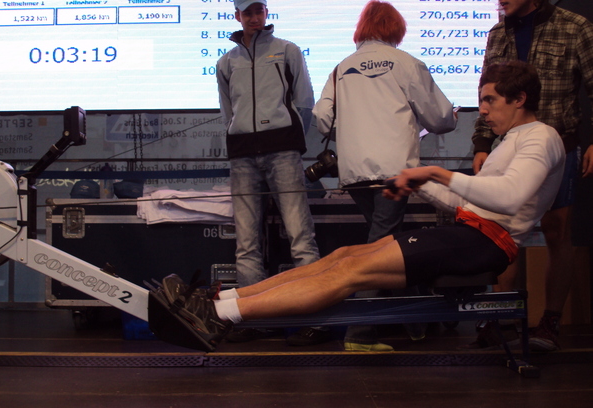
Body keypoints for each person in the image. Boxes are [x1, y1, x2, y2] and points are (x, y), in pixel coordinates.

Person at [161, 61, 566, 351]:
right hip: (468, 232)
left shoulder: (541, 137)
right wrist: (419, 184)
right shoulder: (512, 140)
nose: (484, 110)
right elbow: (468, 199)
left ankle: (220, 317)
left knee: (349, 272)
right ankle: (219, 300)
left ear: (520, 99)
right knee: (343, 256)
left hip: (485, 244)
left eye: (490, 100)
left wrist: (437, 173)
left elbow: (511, 197)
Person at [312, 0, 457, 351]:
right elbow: (439, 119)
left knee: (390, 242)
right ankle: (359, 333)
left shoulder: (341, 68)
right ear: (396, 29)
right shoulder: (406, 63)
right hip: (394, 172)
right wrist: (451, 116)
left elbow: (322, 118)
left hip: (354, 172)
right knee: (379, 251)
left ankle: (417, 320)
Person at [470, 0, 593, 351]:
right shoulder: (498, 33)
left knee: (557, 232)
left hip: (558, 146)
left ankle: (550, 322)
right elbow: (488, 93)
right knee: (500, 229)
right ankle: (500, 318)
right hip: (509, 146)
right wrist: (482, 142)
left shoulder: (574, 27)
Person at [215, 0, 328, 345]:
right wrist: (238, 135)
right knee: (246, 242)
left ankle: (315, 319)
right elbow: (227, 112)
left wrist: (290, 139)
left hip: (282, 152)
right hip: (242, 156)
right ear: (237, 16)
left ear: (266, 13)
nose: (253, 18)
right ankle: (256, 319)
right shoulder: (225, 62)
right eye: (247, 12)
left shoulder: (288, 51)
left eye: (259, 11)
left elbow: (304, 102)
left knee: (300, 236)